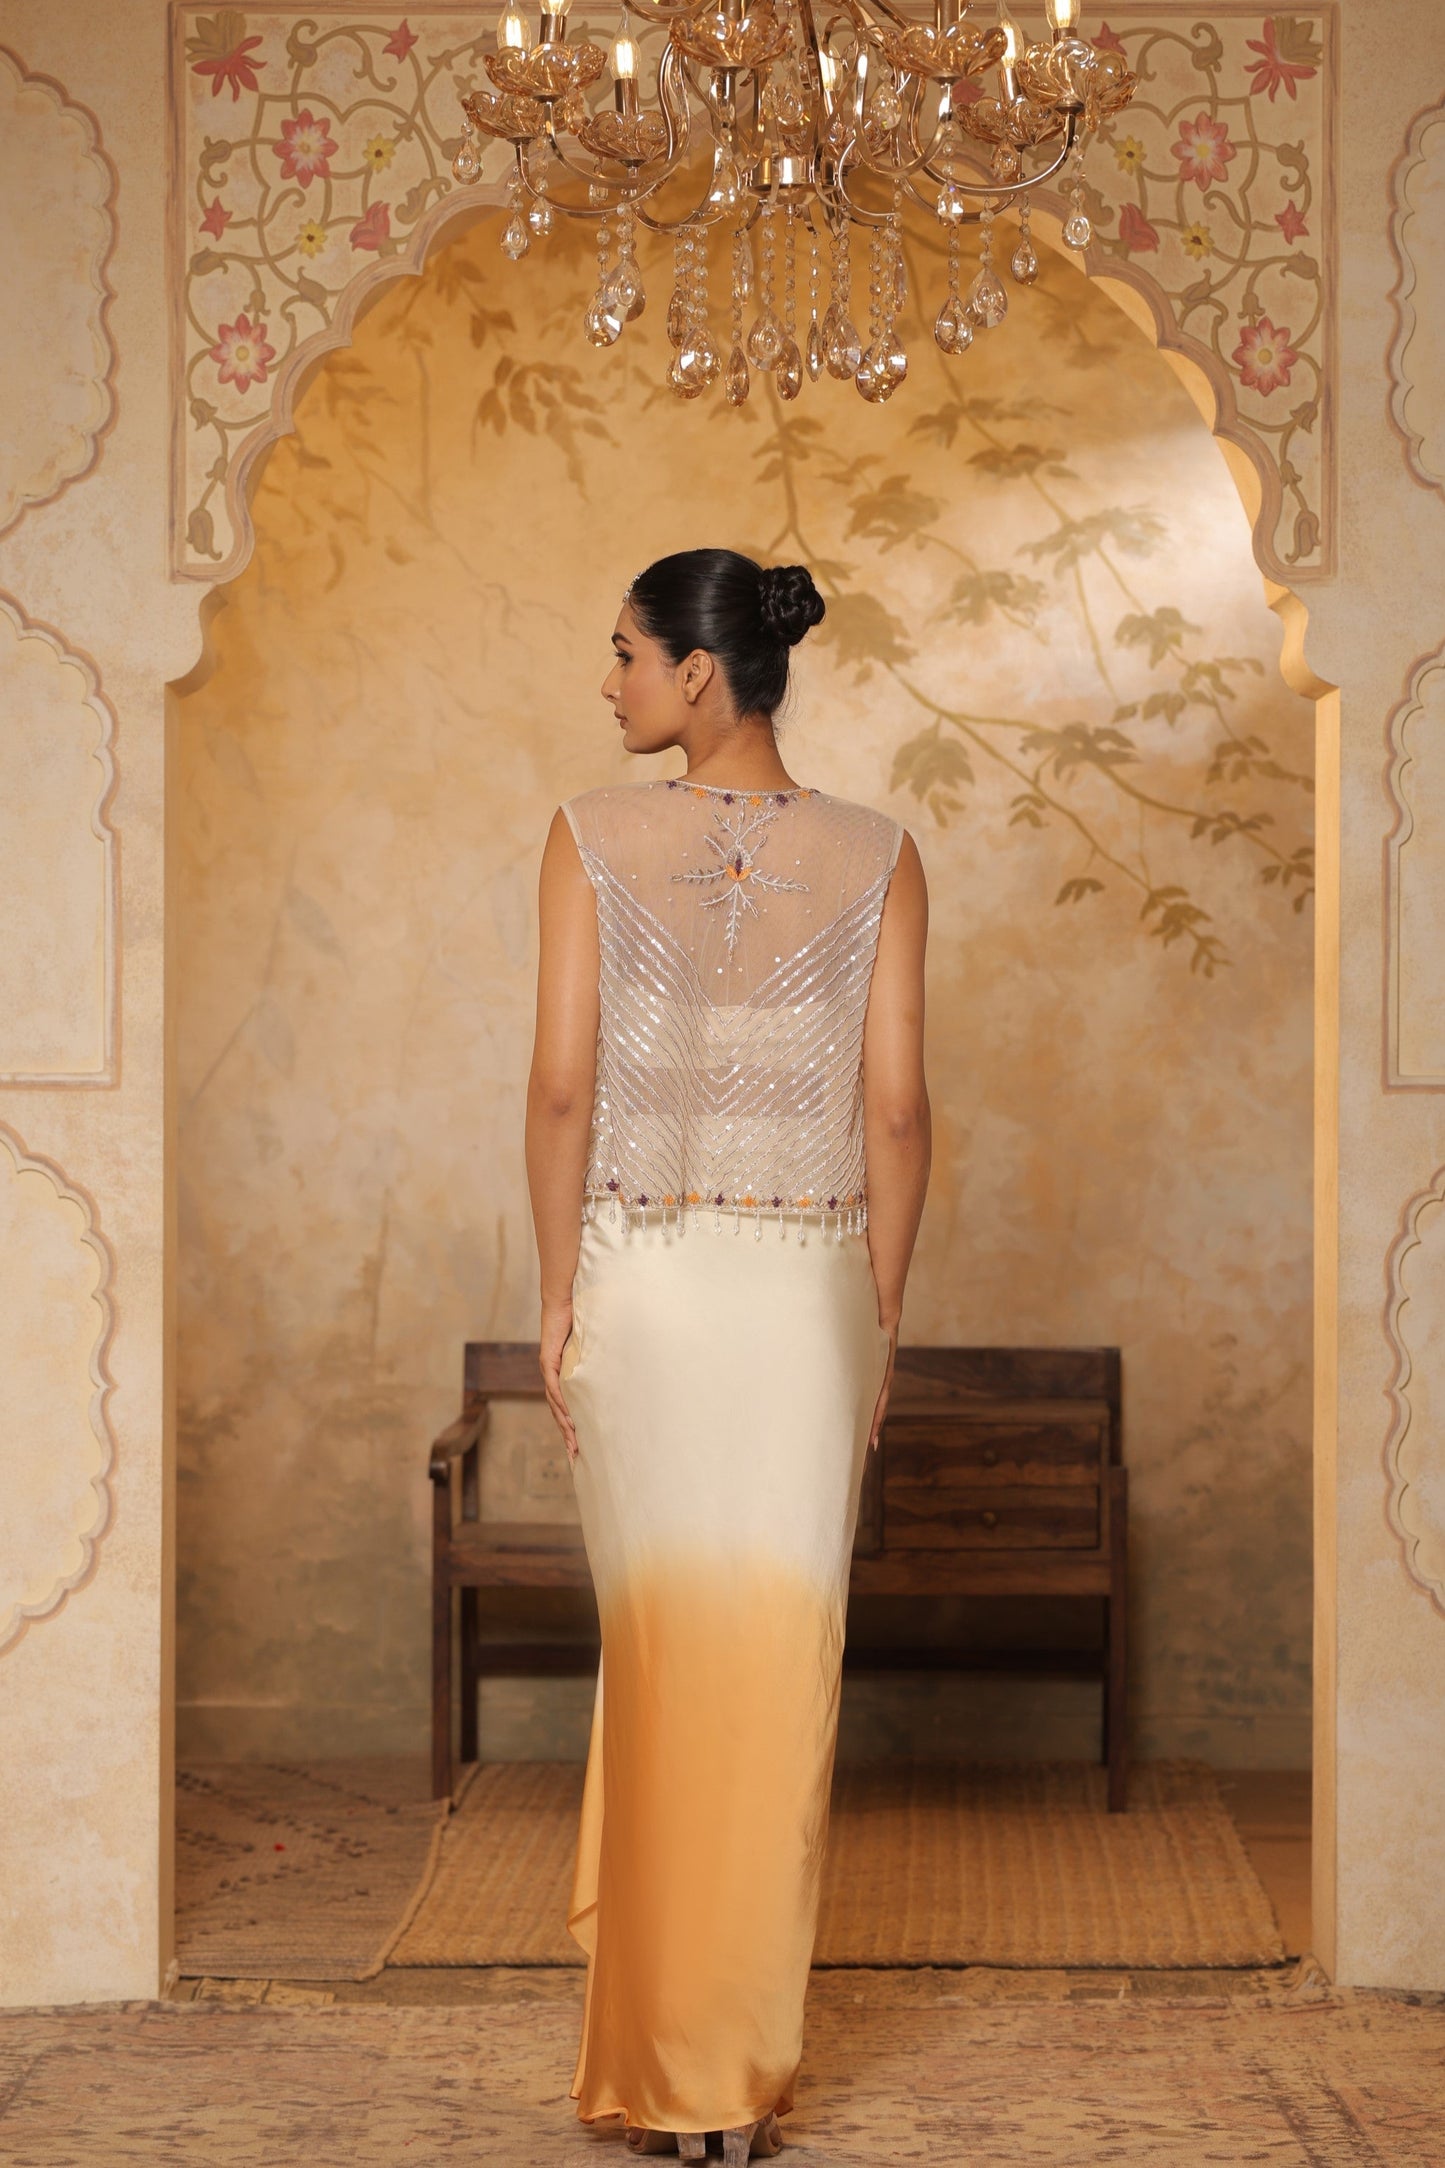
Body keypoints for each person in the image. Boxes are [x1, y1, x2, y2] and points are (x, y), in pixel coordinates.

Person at [525, 547, 931, 2161]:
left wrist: (557, 1296)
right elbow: (896, 1113)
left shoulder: (583, 839)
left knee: (666, 1654)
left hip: (650, 1282)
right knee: (779, 1674)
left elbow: (563, 1090)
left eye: (622, 652)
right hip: (810, 1292)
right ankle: (729, 2082)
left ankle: (668, 2059)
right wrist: (879, 1318)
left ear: (699, 674)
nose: (607, 681)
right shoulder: (883, 851)